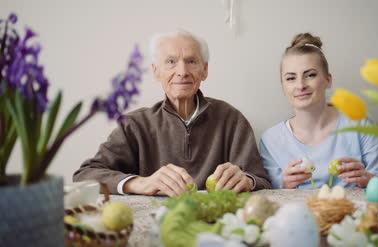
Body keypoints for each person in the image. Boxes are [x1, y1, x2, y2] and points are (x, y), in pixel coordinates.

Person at [74, 30, 271, 196]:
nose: (182, 71)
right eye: (171, 62)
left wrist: (247, 180)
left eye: (191, 61)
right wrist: (140, 183)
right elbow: (85, 175)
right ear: (155, 71)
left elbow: (261, 179)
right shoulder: (134, 124)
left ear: (205, 70)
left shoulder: (231, 119)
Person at [259, 33, 378, 189]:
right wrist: (284, 184)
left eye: (310, 75)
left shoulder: (361, 123)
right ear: (283, 87)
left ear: (328, 80)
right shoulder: (271, 140)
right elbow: (268, 195)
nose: (300, 85)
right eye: (291, 78)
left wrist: (369, 179)